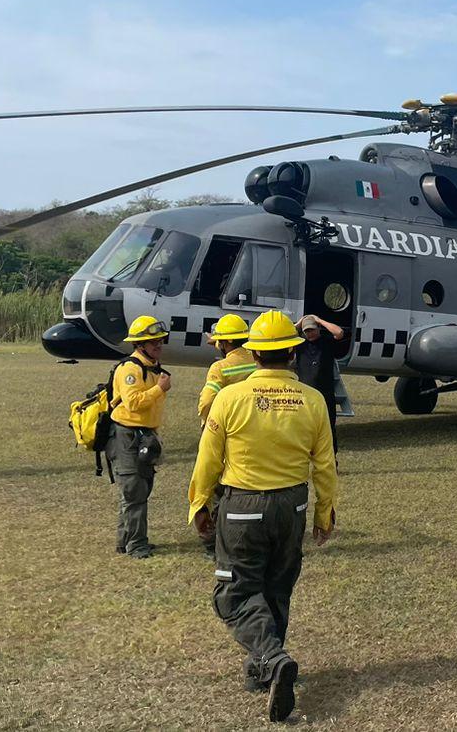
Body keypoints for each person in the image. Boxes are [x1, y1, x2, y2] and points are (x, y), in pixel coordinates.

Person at [190, 310, 338, 723]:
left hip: (243, 507)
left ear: (254, 354)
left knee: (234, 593)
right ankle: (263, 671)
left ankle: (271, 658)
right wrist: (324, 514)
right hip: (292, 505)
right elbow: (325, 464)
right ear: (292, 352)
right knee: (276, 587)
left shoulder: (230, 398)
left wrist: (199, 503)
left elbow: (208, 458)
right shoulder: (313, 400)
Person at [108, 315, 172, 559]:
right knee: (134, 490)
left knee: (139, 488)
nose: (158, 345)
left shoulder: (153, 368)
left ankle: (125, 540)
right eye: (153, 342)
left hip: (145, 435)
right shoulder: (131, 369)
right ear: (139, 345)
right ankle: (137, 545)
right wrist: (159, 389)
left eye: (160, 341)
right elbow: (133, 403)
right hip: (127, 436)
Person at [194, 313, 253, 559]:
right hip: (252, 433)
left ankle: (216, 542)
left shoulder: (220, 367)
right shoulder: (256, 360)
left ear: (225, 343)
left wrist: (206, 419)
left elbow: (207, 399)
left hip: (226, 433)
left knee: (217, 488)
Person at [293, 314, 346, 450]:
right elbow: (286, 334)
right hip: (304, 397)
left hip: (325, 396)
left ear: (318, 328)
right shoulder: (299, 345)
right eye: (307, 331)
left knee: (328, 429)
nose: (310, 333)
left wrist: (319, 320)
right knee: (303, 429)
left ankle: (332, 460)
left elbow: (339, 332)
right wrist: (300, 323)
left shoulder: (327, 342)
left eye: (312, 330)